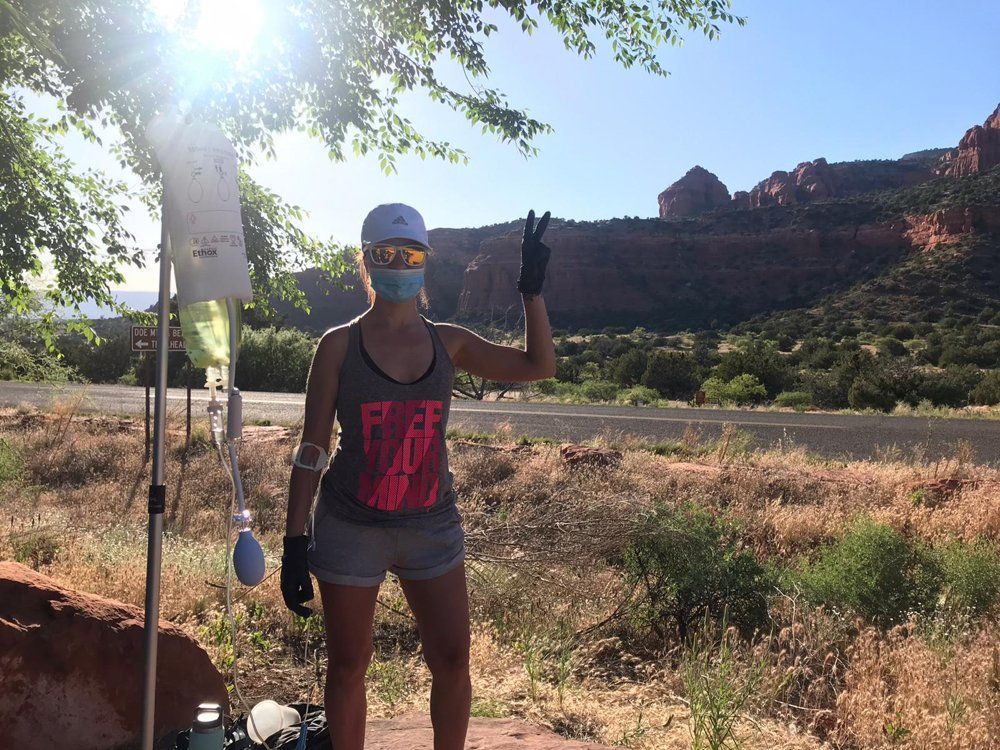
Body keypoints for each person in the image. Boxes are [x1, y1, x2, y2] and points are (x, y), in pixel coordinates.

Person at [280, 203, 556, 750]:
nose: (399, 265)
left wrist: (531, 293)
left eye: (410, 254)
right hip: (351, 525)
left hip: (432, 526)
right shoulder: (338, 345)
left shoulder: (448, 342)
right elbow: (314, 447)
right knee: (349, 666)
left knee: (453, 660)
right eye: (386, 254)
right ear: (366, 262)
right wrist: (293, 539)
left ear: (425, 262)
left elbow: (537, 366)